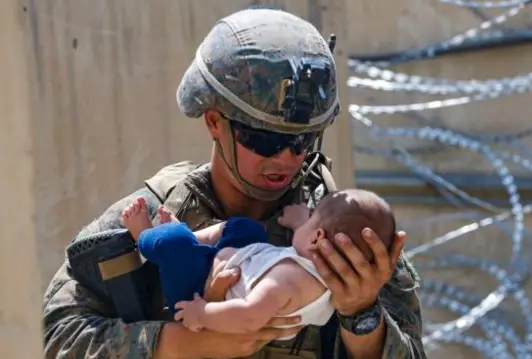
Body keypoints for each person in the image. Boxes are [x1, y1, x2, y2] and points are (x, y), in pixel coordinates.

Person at [42, 7, 426, 359]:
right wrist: (179, 344)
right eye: (265, 140)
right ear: (213, 122)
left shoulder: (346, 237)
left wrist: (360, 315)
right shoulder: (155, 215)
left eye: (302, 141)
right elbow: (60, 335)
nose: (287, 158)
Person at [120, 188, 397, 340]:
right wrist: (302, 221)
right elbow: (309, 245)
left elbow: (250, 316)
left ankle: (144, 235)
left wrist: (203, 312)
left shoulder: (286, 282)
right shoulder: (326, 279)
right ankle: (190, 238)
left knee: (172, 244)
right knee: (247, 229)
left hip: (199, 291)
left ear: (318, 236)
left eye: (312, 218)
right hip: (240, 262)